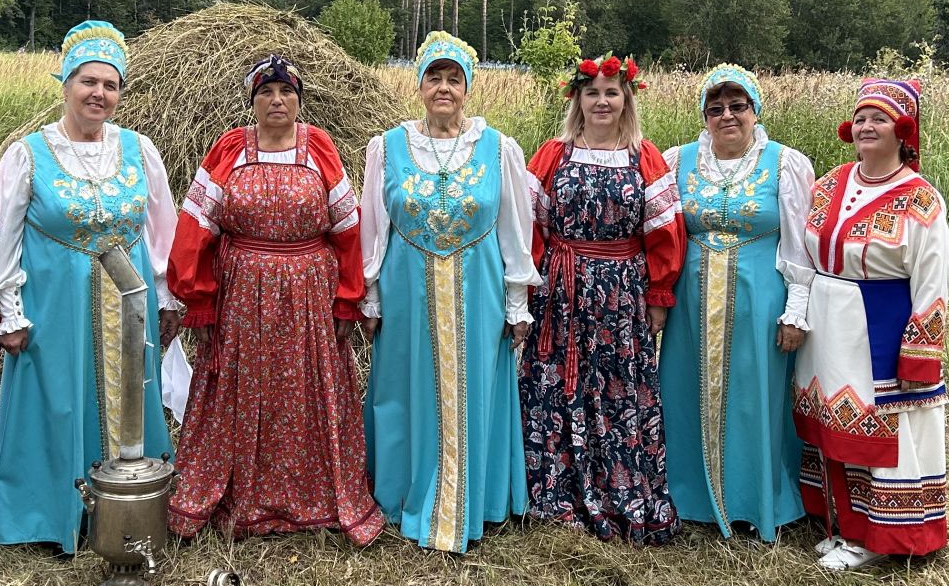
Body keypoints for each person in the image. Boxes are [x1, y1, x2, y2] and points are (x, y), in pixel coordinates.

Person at [165, 55, 384, 544]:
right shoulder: (230, 150)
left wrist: (348, 299)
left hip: (310, 294)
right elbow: (195, 226)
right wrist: (197, 299)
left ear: (299, 100)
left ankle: (314, 494)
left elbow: (348, 229)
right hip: (242, 294)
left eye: (286, 92)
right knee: (241, 389)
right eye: (266, 92)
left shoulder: (319, 148)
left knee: (306, 389)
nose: (277, 100)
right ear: (253, 102)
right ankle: (237, 493)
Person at [0, 21, 180, 553]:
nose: (99, 93)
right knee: (57, 401)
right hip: (55, 303)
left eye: (110, 85)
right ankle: (49, 514)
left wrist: (166, 299)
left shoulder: (140, 150)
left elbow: (162, 233)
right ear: (66, 84)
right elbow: (4, 234)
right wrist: (10, 310)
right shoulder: (29, 153)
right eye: (87, 81)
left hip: (129, 302)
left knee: (131, 397)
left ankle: (128, 511)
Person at [361, 31, 539, 553]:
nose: (444, 87)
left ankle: (472, 496)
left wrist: (517, 301)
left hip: (479, 293)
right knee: (404, 387)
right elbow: (375, 227)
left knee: (475, 387)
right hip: (406, 292)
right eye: (434, 77)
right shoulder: (387, 147)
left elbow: (514, 228)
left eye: (453, 78)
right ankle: (405, 492)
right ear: (419, 86)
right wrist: (370, 297)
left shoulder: (499, 148)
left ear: (468, 88)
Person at [519, 53, 685, 544]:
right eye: (592, 92)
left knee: (616, 386)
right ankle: (557, 487)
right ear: (578, 99)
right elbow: (531, 224)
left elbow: (665, 231)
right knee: (558, 384)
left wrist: (659, 293)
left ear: (626, 99)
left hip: (621, 293)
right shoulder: (553, 154)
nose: (602, 101)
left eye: (612, 92)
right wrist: (529, 289)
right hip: (562, 291)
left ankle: (618, 488)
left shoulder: (645, 157)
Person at [793, 77, 949, 572]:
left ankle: (875, 536)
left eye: (878, 118)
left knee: (875, 428)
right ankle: (840, 522)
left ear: (903, 130)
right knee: (829, 423)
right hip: (824, 322)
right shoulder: (828, 184)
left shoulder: (920, 200)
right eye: (860, 117)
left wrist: (920, 355)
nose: (866, 126)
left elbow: (932, 282)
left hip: (877, 326)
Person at [659, 64, 816, 542]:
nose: (727, 116)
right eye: (715, 109)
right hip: (690, 307)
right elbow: (663, 236)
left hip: (760, 303)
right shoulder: (676, 161)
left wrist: (797, 308)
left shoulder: (786, 164)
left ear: (755, 110)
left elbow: (799, 244)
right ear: (704, 116)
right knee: (684, 394)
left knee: (756, 400)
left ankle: (754, 499)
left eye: (737, 106)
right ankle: (689, 498)